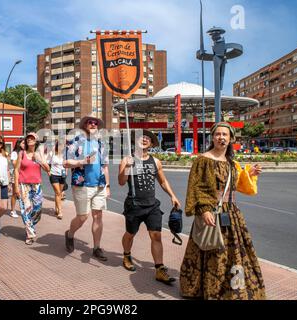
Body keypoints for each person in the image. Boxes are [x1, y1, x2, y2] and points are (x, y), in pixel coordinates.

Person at [179, 122, 266, 300]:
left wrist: (250, 175)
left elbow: (236, 186)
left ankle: (233, 289)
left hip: (231, 213)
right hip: (211, 212)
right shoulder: (203, 160)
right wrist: (204, 210)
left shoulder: (232, 163)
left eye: (225, 135)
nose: (221, 137)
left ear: (231, 138)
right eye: (218, 134)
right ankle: (210, 289)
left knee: (234, 253)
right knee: (212, 249)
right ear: (212, 137)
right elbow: (195, 188)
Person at [118, 130, 181, 285]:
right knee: (130, 233)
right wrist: (128, 167)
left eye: (148, 138)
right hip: (134, 205)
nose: (145, 139)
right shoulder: (127, 159)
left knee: (156, 236)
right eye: (142, 137)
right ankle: (127, 255)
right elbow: (121, 181)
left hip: (152, 205)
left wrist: (172, 196)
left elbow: (163, 182)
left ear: (152, 144)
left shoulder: (156, 161)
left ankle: (159, 269)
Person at [64, 116, 110, 261]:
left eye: (95, 123)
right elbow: (66, 162)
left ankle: (97, 248)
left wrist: (107, 186)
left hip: (99, 185)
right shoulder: (75, 141)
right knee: (83, 216)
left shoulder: (102, 143)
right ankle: (70, 234)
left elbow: (105, 166)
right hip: (82, 185)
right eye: (90, 122)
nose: (93, 124)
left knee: (98, 216)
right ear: (84, 124)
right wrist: (82, 161)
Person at [14, 132, 50, 245]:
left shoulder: (39, 154)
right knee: (26, 209)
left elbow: (47, 169)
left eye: (32, 138)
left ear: (36, 141)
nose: (29, 139)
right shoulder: (22, 153)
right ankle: (30, 234)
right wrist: (16, 186)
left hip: (37, 185)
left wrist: (39, 159)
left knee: (38, 210)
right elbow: (16, 170)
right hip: (23, 185)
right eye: (28, 138)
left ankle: (30, 226)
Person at [47, 138, 67, 219]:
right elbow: (47, 163)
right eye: (60, 145)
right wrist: (49, 173)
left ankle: (56, 208)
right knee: (58, 193)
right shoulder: (52, 154)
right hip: (54, 175)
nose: (61, 146)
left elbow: (66, 164)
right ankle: (60, 211)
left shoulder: (65, 154)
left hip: (62, 175)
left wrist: (66, 172)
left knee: (59, 193)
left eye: (63, 145)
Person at [9, 139, 25, 218]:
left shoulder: (25, 153)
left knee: (24, 192)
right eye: (23, 143)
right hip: (15, 174)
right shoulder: (15, 153)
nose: (24, 144)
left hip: (24, 174)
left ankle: (24, 209)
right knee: (15, 193)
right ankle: (12, 210)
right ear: (19, 144)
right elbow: (15, 164)